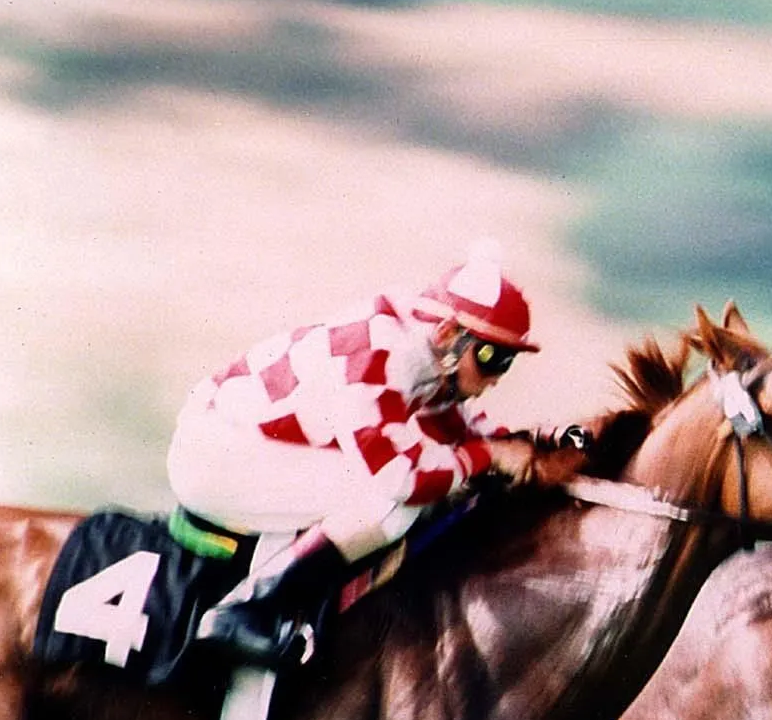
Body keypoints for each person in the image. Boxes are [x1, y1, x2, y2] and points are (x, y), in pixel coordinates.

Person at [167, 239, 547, 668]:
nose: (496, 377)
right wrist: (488, 456)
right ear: (447, 334)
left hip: (243, 440)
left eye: (508, 360)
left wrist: (534, 443)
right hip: (214, 457)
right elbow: (402, 478)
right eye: (492, 357)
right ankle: (245, 611)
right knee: (390, 504)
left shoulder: (424, 345)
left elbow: (455, 422)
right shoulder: (380, 359)